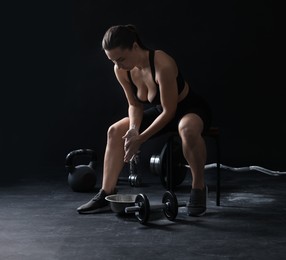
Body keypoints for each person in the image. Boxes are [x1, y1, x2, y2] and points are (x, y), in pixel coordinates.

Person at [77, 24, 212, 216]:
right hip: (161, 111)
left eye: (121, 59)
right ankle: (106, 193)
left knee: (186, 129)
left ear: (134, 46)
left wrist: (140, 138)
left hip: (189, 109)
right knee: (115, 131)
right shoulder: (121, 70)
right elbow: (135, 105)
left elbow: (169, 111)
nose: (118, 65)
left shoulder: (162, 64)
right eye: (113, 61)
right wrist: (133, 129)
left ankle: (198, 187)